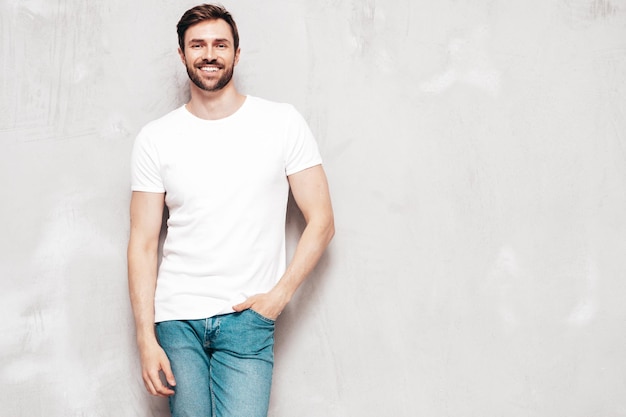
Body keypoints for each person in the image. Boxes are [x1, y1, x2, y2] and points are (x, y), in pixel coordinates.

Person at [126, 4, 334, 417]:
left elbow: (322, 222)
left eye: (220, 44)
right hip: (176, 321)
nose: (209, 54)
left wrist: (279, 296)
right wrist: (146, 339)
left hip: (247, 319)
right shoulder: (156, 138)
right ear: (182, 55)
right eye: (197, 45)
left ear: (237, 54)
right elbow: (143, 243)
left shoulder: (281, 122)